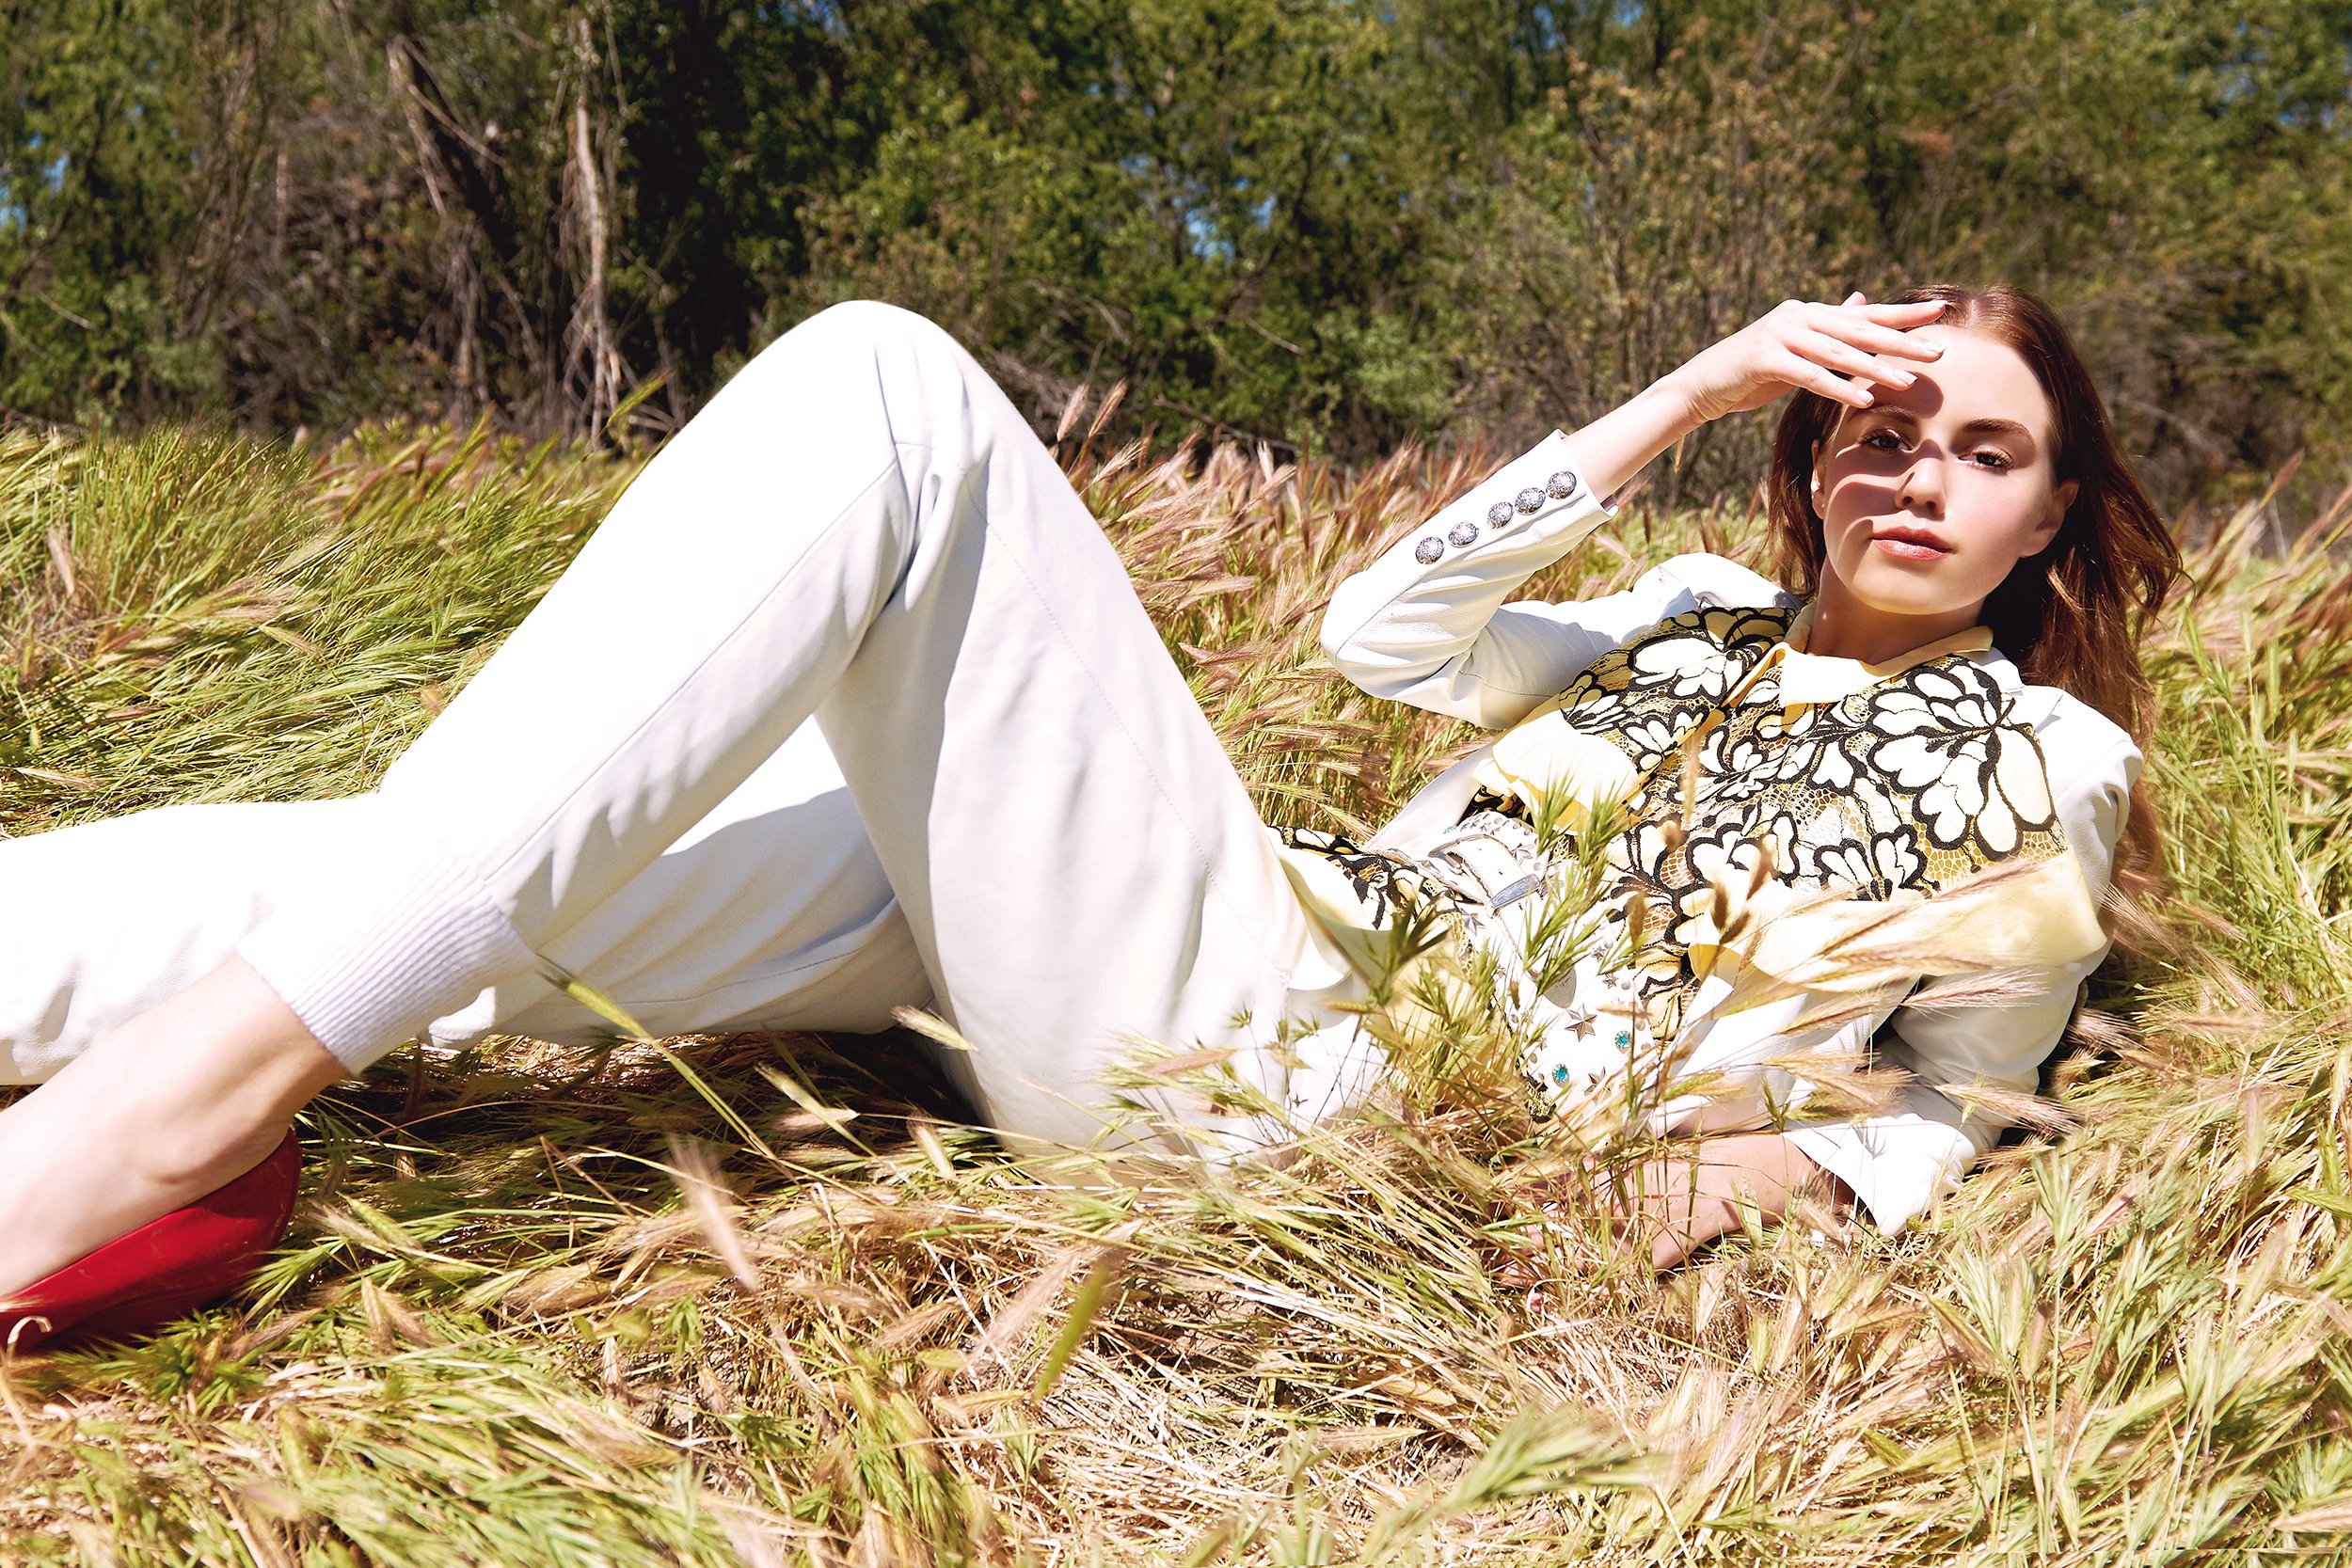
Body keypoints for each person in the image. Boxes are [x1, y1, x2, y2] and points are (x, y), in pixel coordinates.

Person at [0, 283, 2176, 1346]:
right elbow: (1381, 635)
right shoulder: (1677, 612)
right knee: (432, 866)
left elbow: (1970, 1099)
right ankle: (117, 1066)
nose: (1912, 472)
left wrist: (1759, 1174)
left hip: (1321, 1088)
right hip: (1249, 923)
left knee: (887, 393)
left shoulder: (2045, 764)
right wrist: (1688, 395)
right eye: (1870, 427)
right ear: (1805, 462)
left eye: (1978, 447)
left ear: (2053, 503)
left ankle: (165, 1130)